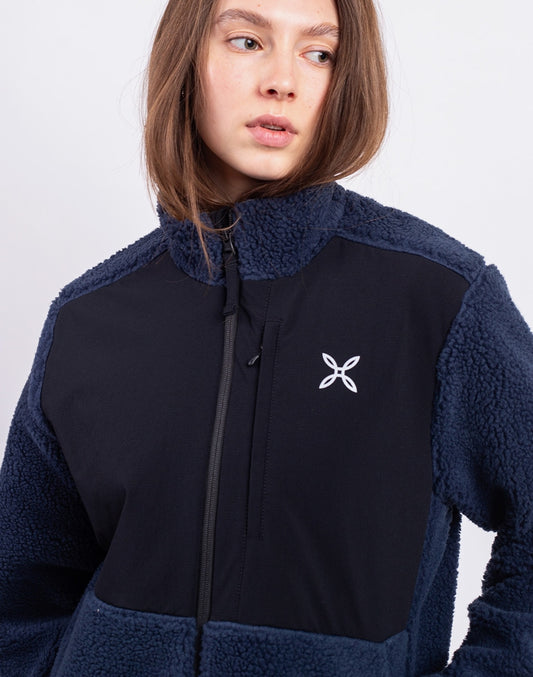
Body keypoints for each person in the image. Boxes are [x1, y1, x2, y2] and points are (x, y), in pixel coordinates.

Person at [1, 0, 532, 674]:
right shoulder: (89, 316)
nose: (282, 80)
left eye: (319, 53)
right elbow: (21, 596)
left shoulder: (438, 297)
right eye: (247, 41)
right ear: (186, 58)